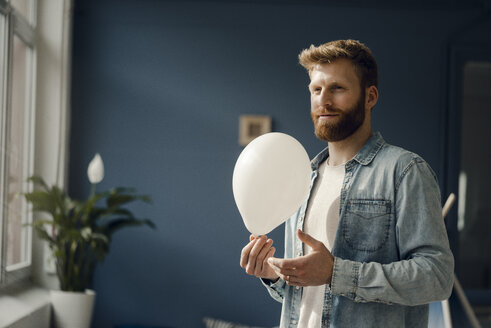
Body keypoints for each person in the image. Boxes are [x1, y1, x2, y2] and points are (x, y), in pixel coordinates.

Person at [239, 39, 454, 327]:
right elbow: (310, 296)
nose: (323, 100)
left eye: (337, 88)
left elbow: (437, 277)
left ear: (370, 96)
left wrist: (335, 273)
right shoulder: (302, 177)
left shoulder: (405, 171)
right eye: (316, 89)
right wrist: (274, 274)